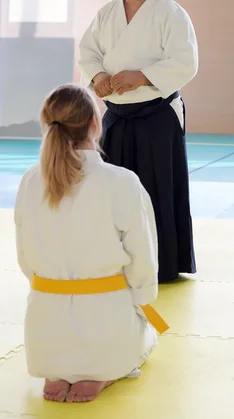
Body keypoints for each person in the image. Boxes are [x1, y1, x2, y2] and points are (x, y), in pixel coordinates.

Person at [15, 84, 168, 403]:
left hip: (45, 328)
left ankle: (58, 371)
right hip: (105, 323)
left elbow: (25, 256)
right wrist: (142, 299)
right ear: (95, 124)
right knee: (150, 335)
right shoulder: (121, 182)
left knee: (60, 317)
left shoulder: (30, 179)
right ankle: (102, 372)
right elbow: (143, 257)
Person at [78, 0, 198, 283]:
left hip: (157, 113)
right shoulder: (107, 14)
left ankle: (163, 263)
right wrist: (99, 77)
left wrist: (142, 77)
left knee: (158, 188)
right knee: (112, 190)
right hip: (117, 114)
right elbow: (88, 53)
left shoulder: (170, 12)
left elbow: (185, 61)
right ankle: (111, 260)